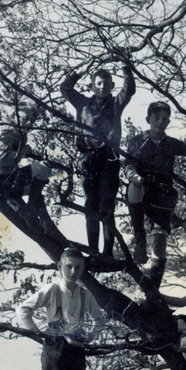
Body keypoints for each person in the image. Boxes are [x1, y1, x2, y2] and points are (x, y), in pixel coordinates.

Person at [124, 101, 186, 288]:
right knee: (133, 187)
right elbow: (128, 164)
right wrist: (134, 175)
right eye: (156, 118)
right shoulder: (137, 141)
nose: (160, 122)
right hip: (142, 187)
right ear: (148, 119)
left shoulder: (171, 144)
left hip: (163, 194)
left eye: (164, 119)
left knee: (160, 245)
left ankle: (153, 290)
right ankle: (139, 239)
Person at [60, 62, 136, 258]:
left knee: (107, 206)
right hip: (87, 160)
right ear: (92, 86)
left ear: (112, 85)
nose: (102, 86)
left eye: (106, 83)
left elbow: (129, 90)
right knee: (90, 206)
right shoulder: (83, 104)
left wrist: (125, 67)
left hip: (109, 159)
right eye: (99, 83)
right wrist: (80, 71)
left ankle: (108, 252)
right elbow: (65, 88)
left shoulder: (116, 103)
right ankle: (93, 251)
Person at [0, 103, 54, 217]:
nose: (29, 123)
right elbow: (2, 160)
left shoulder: (19, 133)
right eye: (25, 118)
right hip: (0, 179)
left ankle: (30, 206)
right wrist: (24, 150)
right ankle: (30, 205)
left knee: (38, 186)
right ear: (14, 116)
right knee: (45, 167)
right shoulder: (9, 131)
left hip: (2, 179)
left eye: (31, 121)